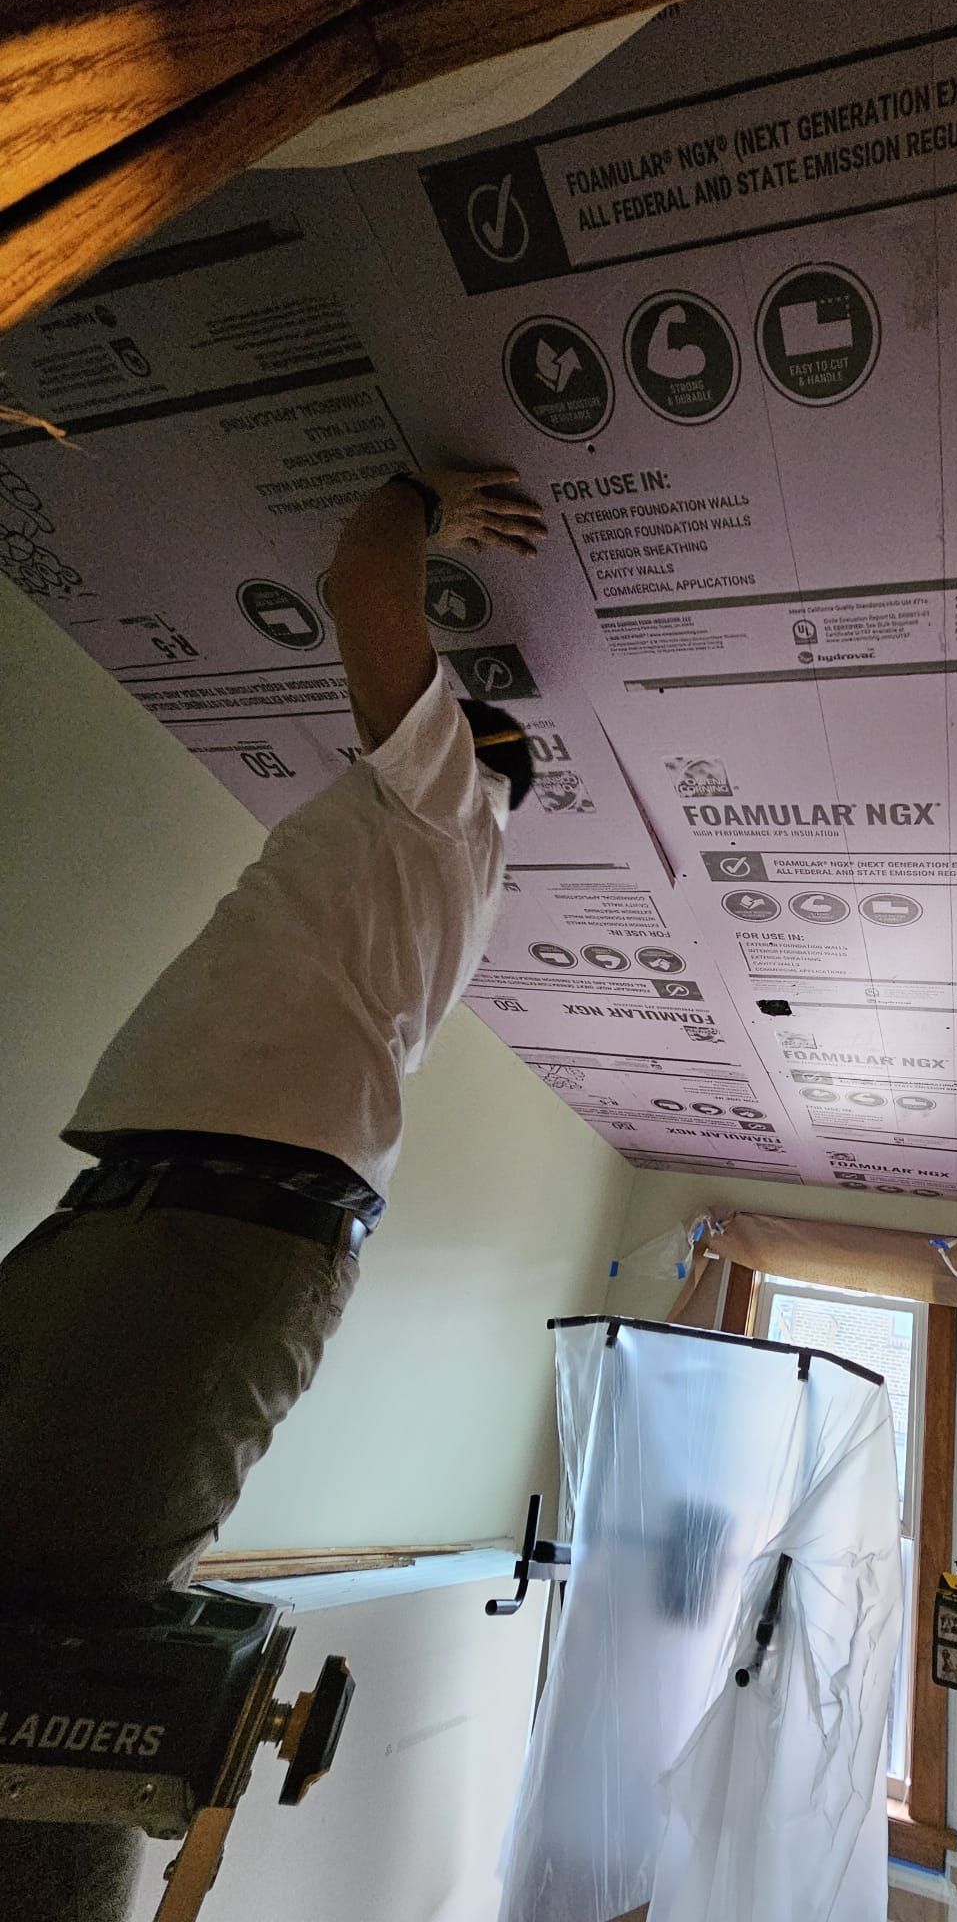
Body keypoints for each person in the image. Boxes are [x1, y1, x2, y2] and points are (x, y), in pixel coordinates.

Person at [0, 467, 548, 1918]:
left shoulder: (442, 800)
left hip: (216, 1223)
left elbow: (364, 575)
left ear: (467, 744)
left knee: (54, 1640)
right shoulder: (418, 849)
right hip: (174, 1209)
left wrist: (424, 500)